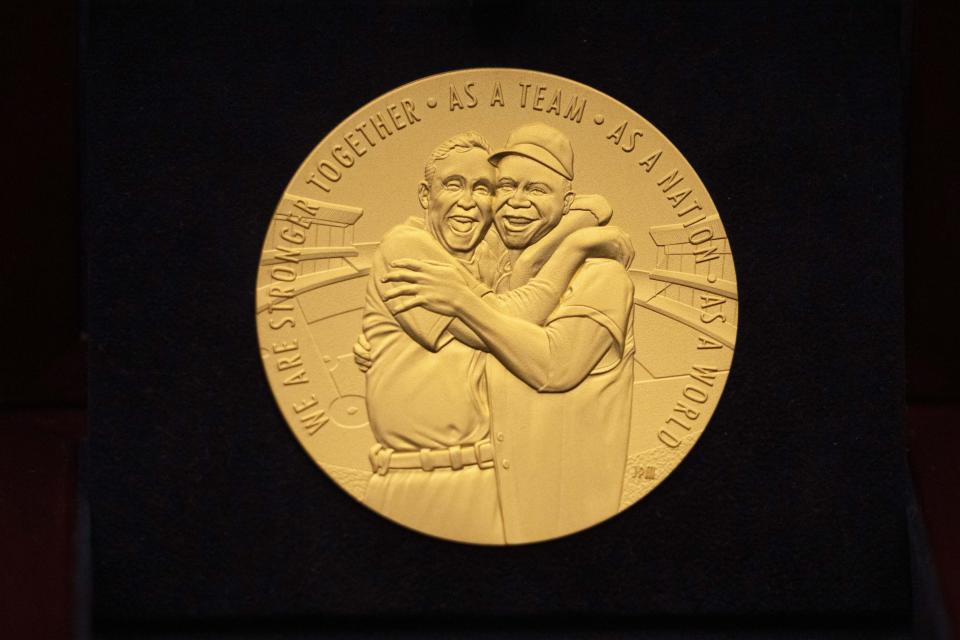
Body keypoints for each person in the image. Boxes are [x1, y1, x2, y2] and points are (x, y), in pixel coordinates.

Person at [361, 130, 630, 544]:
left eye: (482, 187)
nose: (472, 201)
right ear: (423, 194)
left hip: (508, 492)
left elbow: (551, 364)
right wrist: (571, 243)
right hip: (409, 482)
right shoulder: (411, 246)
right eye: (506, 185)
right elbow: (506, 314)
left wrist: (574, 234)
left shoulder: (597, 276)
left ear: (566, 201)